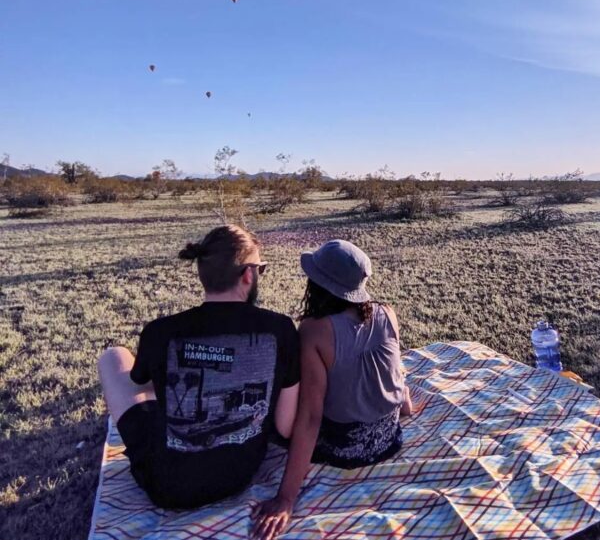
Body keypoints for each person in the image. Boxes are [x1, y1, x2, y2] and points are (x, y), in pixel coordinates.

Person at [97, 225, 300, 509]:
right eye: (261, 268)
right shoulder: (280, 329)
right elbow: (286, 426)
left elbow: (140, 382)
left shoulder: (160, 332)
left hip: (167, 486)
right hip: (239, 473)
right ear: (248, 274)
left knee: (114, 357)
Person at [253, 239, 412, 540]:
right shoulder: (386, 312)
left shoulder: (314, 330)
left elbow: (311, 416)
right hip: (388, 437)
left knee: (279, 406)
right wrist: (403, 404)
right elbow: (393, 370)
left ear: (319, 284)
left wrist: (286, 498)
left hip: (344, 447)